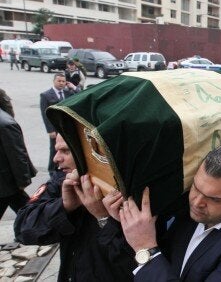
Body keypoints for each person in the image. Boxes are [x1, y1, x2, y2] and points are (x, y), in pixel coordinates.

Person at [120, 145, 221, 281]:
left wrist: (146, 248)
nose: (196, 202)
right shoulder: (189, 209)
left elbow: (153, 254)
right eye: (196, 187)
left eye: (214, 199)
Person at [14, 134, 136, 281]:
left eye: (66, 151)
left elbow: (138, 262)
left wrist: (104, 218)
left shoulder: (130, 190)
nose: (56, 158)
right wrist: (64, 206)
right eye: (56, 150)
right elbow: (23, 229)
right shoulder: (63, 180)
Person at [0, 89, 35, 218]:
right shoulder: (6, 122)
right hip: (6, 182)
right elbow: (17, 155)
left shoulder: (5, 123)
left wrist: (22, 180)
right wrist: (22, 181)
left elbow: (17, 154)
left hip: (6, 182)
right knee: (26, 209)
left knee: (26, 209)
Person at [40, 73, 78, 175]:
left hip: (66, 127)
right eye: (59, 81)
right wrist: (50, 130)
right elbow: (45, 114)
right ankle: (52, 171)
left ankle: (63, 168)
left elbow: (80, 95)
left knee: (67, 149)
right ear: (54, 81)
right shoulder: (46, 95)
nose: (61, 83)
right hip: (55, 129)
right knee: (54, 150)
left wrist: (73, 87)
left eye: (63, 81)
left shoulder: (68, 92)